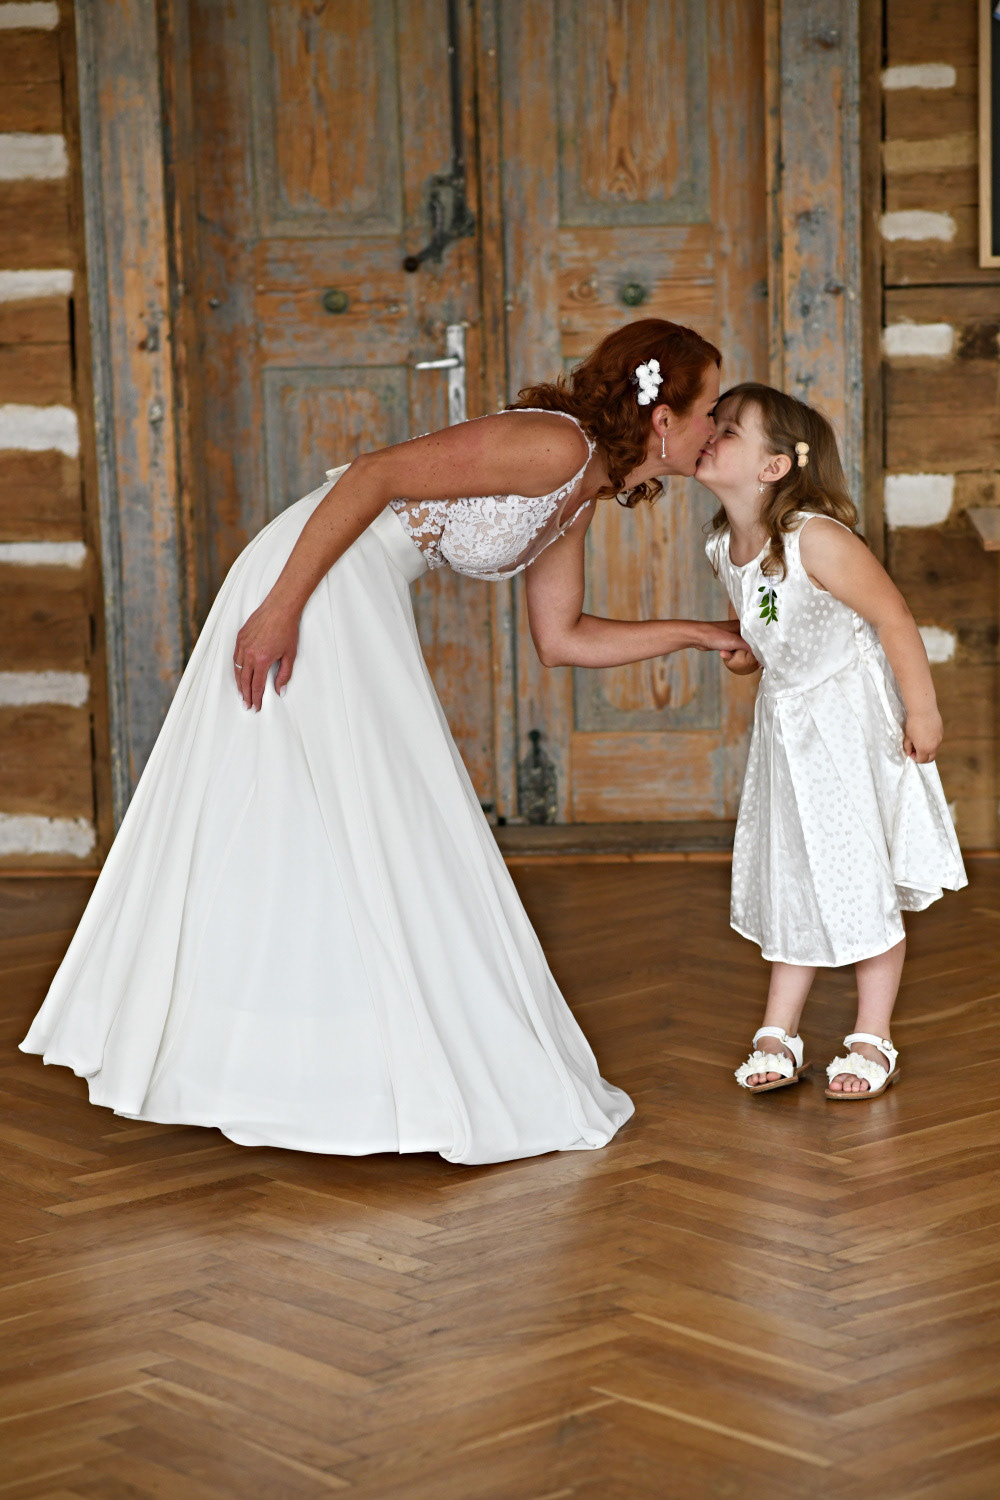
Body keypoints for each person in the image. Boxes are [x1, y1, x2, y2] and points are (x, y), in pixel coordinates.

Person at [21, 319, 743, 1163]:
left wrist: (701, 633)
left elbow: (563, 638)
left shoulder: (582, 492)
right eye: (711, 409)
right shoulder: (554, 445)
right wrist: (279, 607)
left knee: (331, 813)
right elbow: (373, 475)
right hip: (316, 578)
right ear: (663, 416)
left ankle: (309, 1061)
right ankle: (283, 1061)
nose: (717, 427)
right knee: (378, 809)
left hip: (352, 587)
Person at [697, 382, 966, 1100]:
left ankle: (872, 1034)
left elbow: (893, 616)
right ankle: (779, 1028)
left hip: (849, 730)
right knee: (793, 867)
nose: (708, 435)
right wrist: (749, 655)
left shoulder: (814, 537)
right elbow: (767, 624)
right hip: (787, 735)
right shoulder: (723, 545)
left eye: (728, 429)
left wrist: (923, 710)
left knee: (856, 871)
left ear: (773, 467)